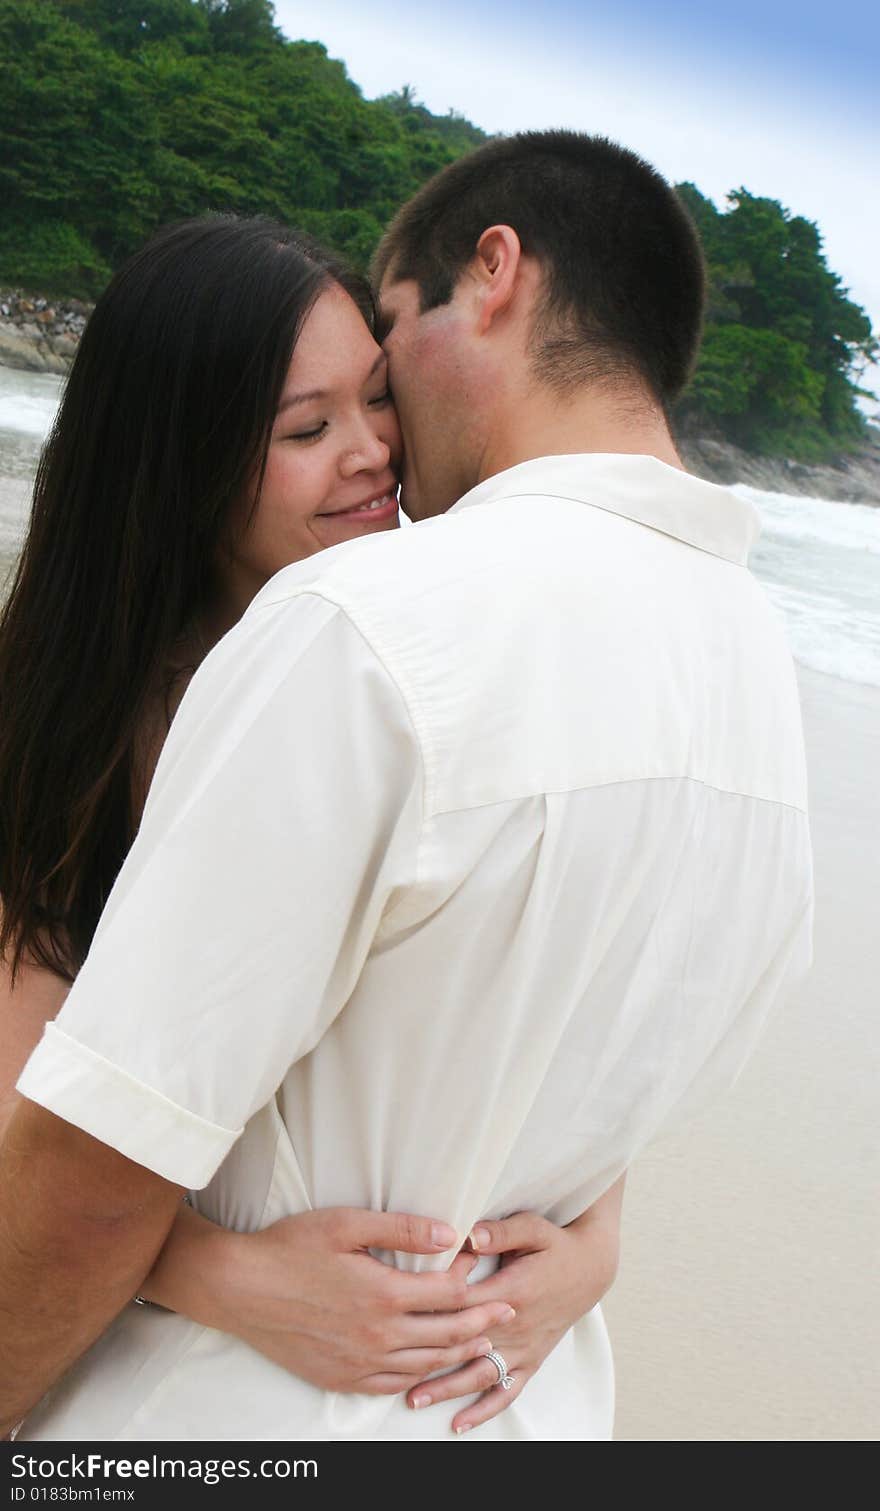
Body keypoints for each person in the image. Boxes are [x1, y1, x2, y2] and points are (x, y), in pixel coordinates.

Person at [0, 130, 812, 1442]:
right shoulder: (122, 717)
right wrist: (209, 1268)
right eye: (307, 428)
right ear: (184, 460)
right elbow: (54, 1137)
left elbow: (544, 1033)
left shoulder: (377, 655)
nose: (378, 449)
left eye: (378, 397)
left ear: (492, 281)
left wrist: (597, 1235)